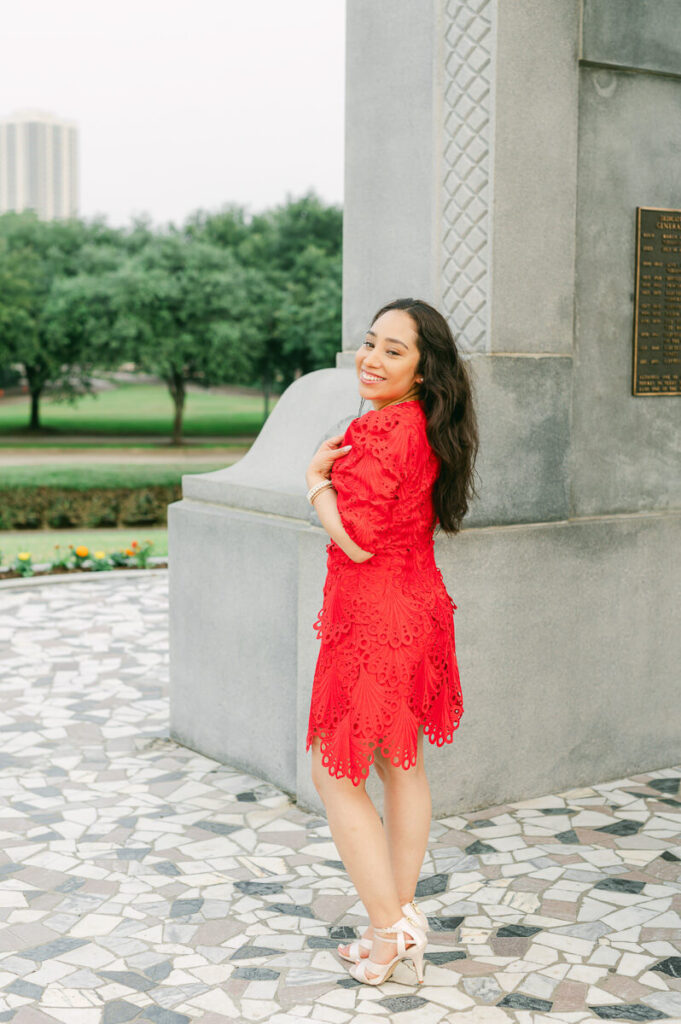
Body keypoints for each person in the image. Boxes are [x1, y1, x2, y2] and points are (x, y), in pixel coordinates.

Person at [304, 297, 480, 986]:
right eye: (370, 343)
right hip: (416, 612)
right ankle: (393, 929)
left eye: (393, 350)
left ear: (424, 368)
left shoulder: (381, 433)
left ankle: (390, 926)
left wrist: (315, 482)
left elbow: (356, 538)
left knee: (334, 769)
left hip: (375, 623)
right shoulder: (423, 426)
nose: (371, 359)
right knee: (397, 765)